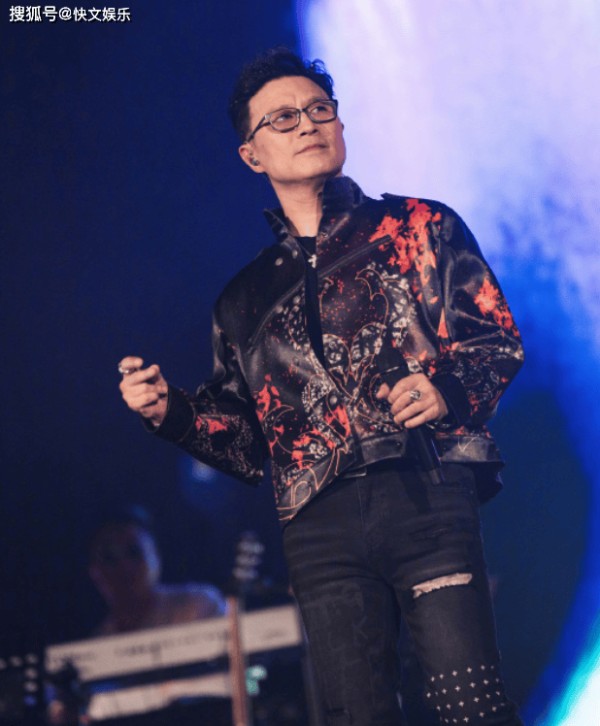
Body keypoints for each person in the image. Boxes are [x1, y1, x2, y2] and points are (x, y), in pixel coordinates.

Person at [118, 48, 525, 725]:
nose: (307, 124)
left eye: (319, 110)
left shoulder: (418, 226)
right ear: (251, 155)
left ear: (339, 124)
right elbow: (248, 441)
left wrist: (445, 391)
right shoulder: (244, 299)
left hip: (423, 488)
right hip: (318, 529)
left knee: (470, 707)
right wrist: (171, 412)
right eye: (283, 118)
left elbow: (493, 338)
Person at [46, 506, 226, 725]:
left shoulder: (199, 604)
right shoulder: (96, 647)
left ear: (155, 555)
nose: (125, 566)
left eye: (134, 552)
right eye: (109, 558)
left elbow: (230, 682)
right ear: (94, 572)